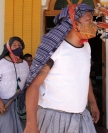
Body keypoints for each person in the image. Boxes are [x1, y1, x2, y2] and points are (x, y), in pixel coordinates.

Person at [24, 4, 99, 133]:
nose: (93, 24)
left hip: (80, 116)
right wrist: (31, 123)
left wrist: (93, 103)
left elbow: (84, 77)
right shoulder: (55, 48)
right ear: (74, 22)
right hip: (53, 117)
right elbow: (34, 86)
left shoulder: (87, 48)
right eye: (89, 20)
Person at [0, 36, 29, 133]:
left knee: (22, 129)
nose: (17, 47)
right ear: (8, 47)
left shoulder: (25, 63)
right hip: (5, 104)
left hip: (21, 104)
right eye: (14, 45)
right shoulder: (1, 63)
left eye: (19, 45)